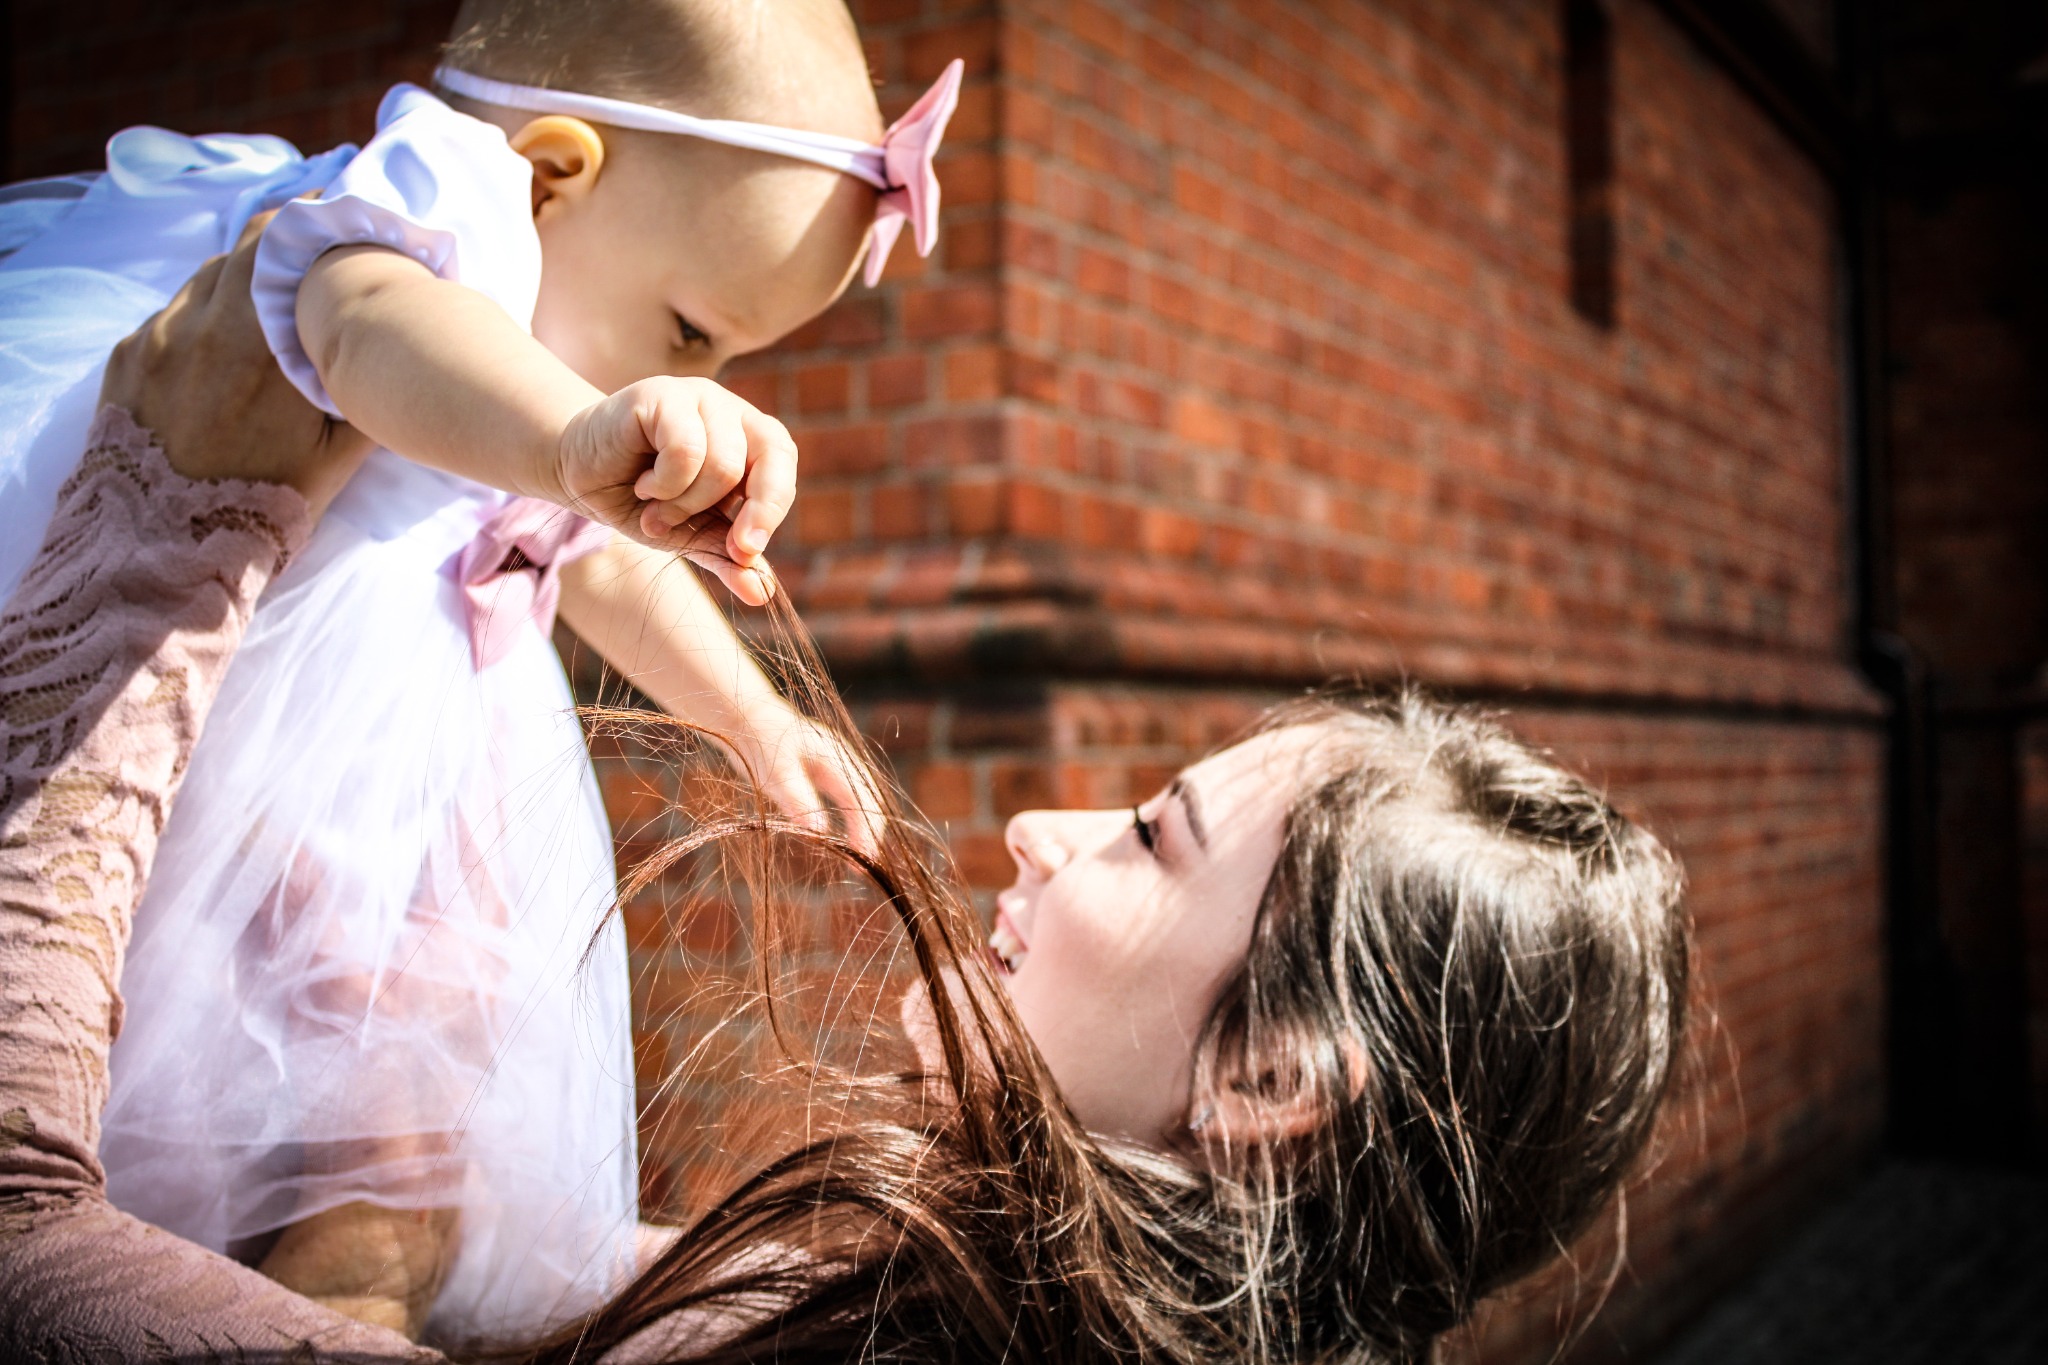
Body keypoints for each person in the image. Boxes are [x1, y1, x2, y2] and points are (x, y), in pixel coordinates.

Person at [0, 235, 1691, 1363]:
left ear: (1264, 1080)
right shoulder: (899, 1299)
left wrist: (160, 545)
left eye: (1155, 834)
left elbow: (16, 1241)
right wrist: (398, 1173)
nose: (1043, 828)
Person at [0, 0, 961, 1339]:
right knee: (168, 1068)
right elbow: (357, 323)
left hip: (413, 821)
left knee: (397, 1127)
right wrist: (574, 433)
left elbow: (608, 565)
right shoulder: (445, 204)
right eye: (692, 328)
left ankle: (343, 1300)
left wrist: (752, 714)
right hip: (241, 746)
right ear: (553, 176)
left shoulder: (564, 369)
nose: (701, 375)